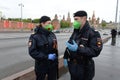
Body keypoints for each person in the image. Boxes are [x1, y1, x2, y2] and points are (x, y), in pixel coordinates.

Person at [63, 10, 103, 80]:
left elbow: (95, 51)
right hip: (73, 67)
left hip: (85, 69)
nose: (74, 22)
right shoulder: (75, 32)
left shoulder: (93, 33)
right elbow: (69, 46)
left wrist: (78, 49)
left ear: (84, 18)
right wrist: (65, 56)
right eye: (74, 19)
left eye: (76, 19)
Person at [28, 16, 59, 80]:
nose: (50, 25)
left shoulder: (52, 34)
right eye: (49, 23)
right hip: (41, 66)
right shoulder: (35, 36)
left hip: (52, 65)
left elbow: (55, 48)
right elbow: (32, 52)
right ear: (42, 23)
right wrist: (46, 57)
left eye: (51, 23)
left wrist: (56, 61)